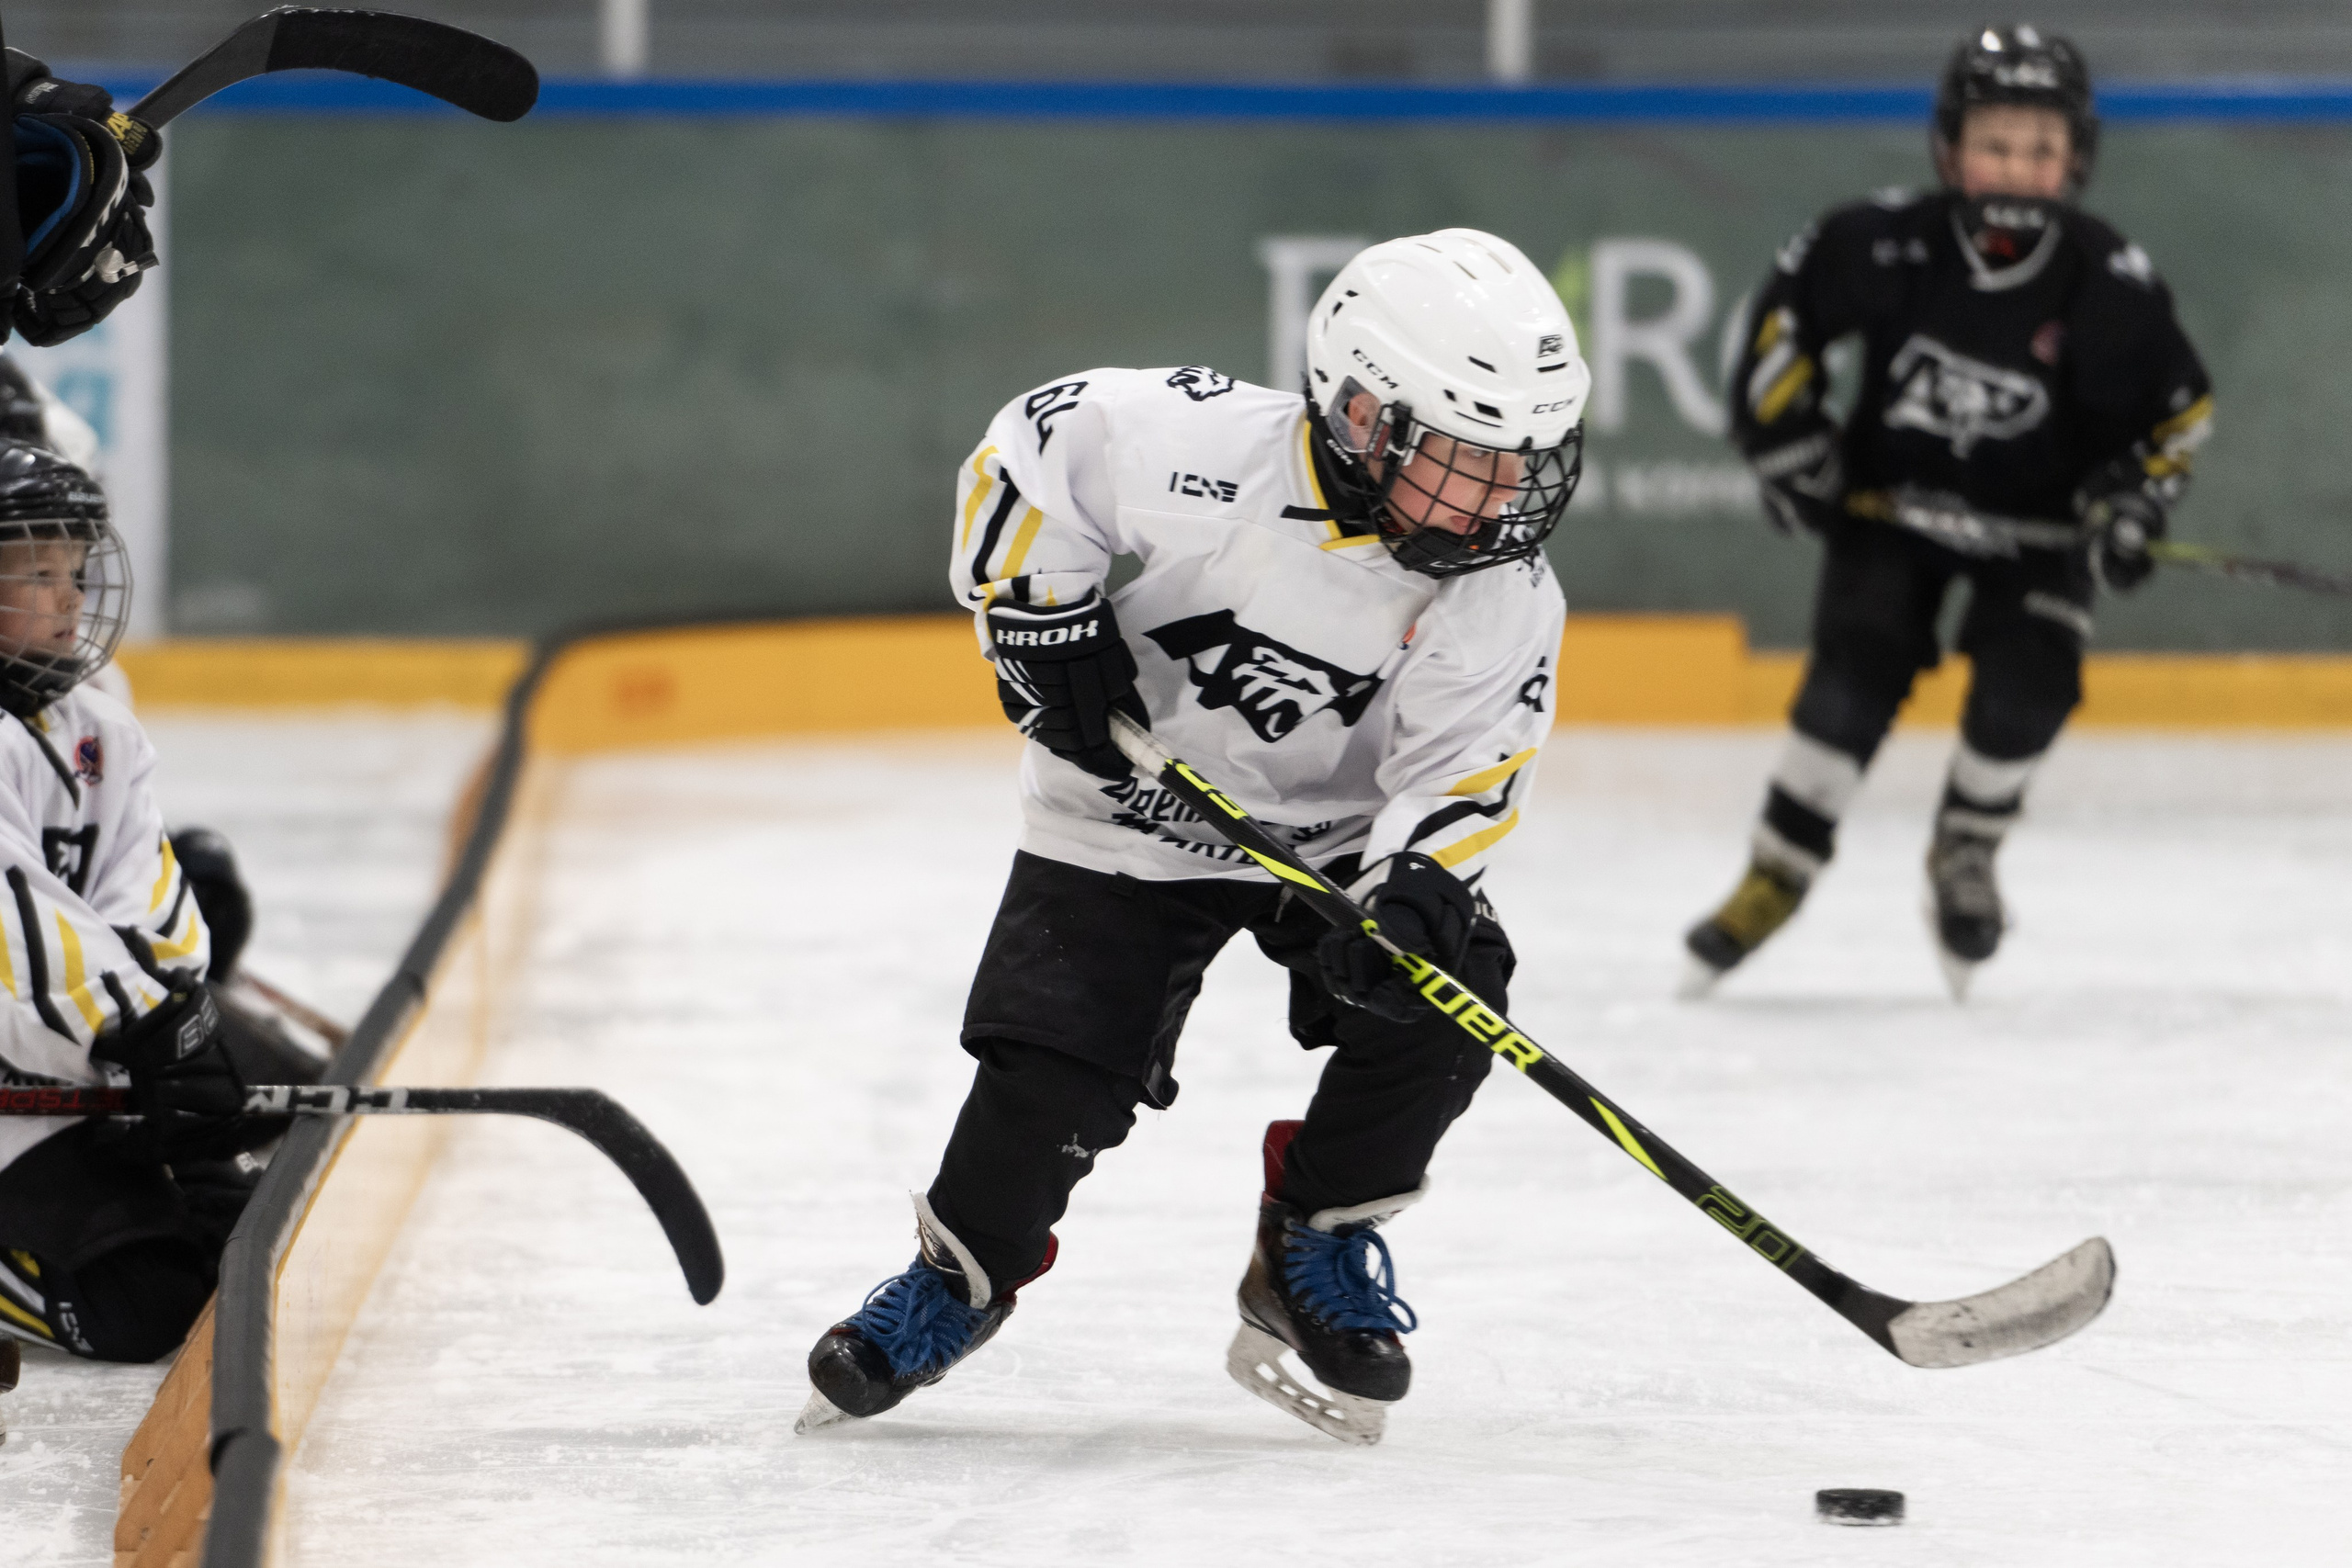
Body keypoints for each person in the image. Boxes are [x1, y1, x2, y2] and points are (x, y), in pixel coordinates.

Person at [798, 229, 1588, 1445]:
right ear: (1365, 411)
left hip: (1328, 848)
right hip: (1127, 812)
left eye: (1522, 467)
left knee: (1449, 990)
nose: (1501, 500)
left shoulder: (1500, 590)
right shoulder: (1195, 448)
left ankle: (1312, 1237)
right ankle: (961, 1276)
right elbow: (1035, 449)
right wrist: (1040, 619)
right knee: (1049, 1068)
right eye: (1469, 462)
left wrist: (1415, 883)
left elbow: (1466, 765)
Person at [1682, 24, 2212, 998]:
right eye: (1997, 143)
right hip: (1890, 512)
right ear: (1950, 147)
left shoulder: (2110, 285)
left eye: (2041, 149)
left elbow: (2177, 413)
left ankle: (1964, 849)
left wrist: (2134, 502)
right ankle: (1775, 873)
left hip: (2035, 531)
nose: (2017, 167)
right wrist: (1791, 447)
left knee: (2027, 689)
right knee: (1851, 677)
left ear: (2076, 157)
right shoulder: (1881, 243)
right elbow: (1779, 332)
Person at [0, 441, 272, 1364]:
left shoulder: (96, 728)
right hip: (22, 1078)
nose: (72, 596)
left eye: (74, 570)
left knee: (239, 1243)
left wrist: (172, 1016)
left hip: (64, 1066)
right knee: (141, 1310)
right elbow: (14, 932)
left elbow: (144, 893)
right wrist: (135, 1028)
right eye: (37, 573)